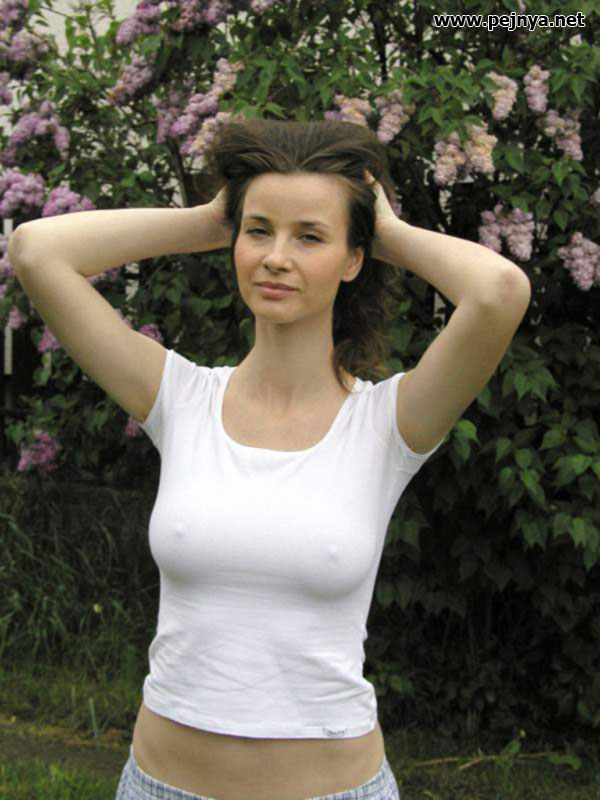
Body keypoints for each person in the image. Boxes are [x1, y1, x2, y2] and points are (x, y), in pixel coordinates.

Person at [9, 117, 531, 800]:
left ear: (354, 259)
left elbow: (499, 292)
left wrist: (386, 229)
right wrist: (210, 220)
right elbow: (36, 249)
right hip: (159, 786)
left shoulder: (387, 422)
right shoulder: (181, 398)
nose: (276, 257)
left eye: (309, 236)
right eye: (259, 231)